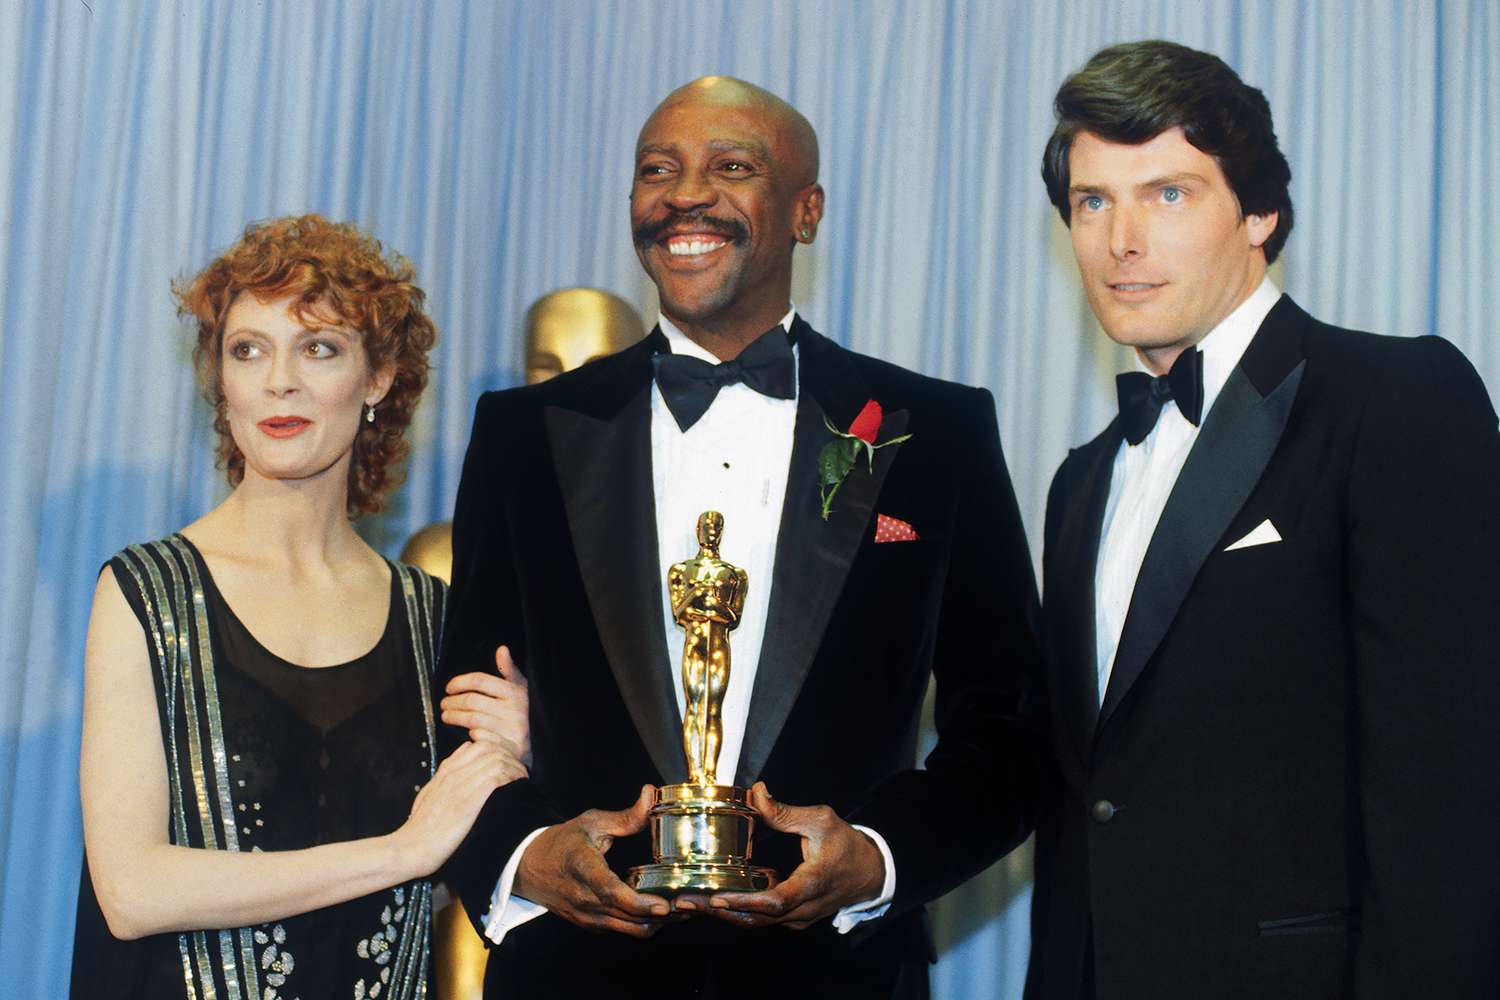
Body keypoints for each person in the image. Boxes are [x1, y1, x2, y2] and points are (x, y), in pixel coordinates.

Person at [437, 76, 1043, 998]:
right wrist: (526, 853)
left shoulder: (938, 435)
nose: (684, 194)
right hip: (575, 975)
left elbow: (1008, 729)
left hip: (840, 977)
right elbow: (458, 710)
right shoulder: (523, 434)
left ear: (806, 211)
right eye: (657, 170)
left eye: (731, 167)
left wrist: (876, 859)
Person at [1027, 41, 1500, 999]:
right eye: (1093, 201)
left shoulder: (1396, 398)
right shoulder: (1079, 484)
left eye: (1169, 194)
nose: (1122, 239)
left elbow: (1452, 789)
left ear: (1259, 214)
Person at [70, 215, 530, 1000]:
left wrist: (513, 764)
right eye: (248, 349)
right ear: (222, 382)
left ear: (379, 377)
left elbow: (442, 886)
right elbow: (131, 892)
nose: (279, 379)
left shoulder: (434, 618)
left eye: (318, 348)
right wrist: (400, 851)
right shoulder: (145, 594)